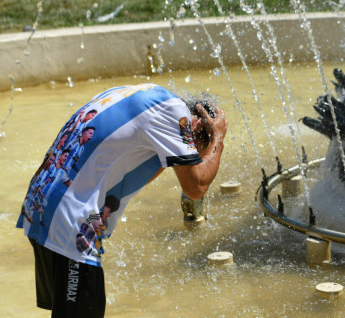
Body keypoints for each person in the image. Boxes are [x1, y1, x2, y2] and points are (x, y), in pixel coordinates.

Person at [18, 83, 228, 317]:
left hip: (40, 206)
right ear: (199, 126)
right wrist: (218, 137)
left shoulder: (140, 96)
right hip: (70, 224)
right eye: (201, 149)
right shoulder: (175, 114)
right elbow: (196, 186)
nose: (198, 156)